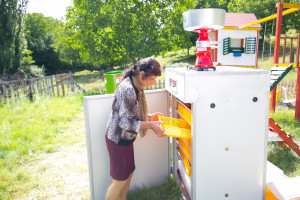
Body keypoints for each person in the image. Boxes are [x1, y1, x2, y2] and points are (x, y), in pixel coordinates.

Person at [105, 58, 166, 200]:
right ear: (142, 74)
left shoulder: (136, 85)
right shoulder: (129, 89)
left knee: (128, 174)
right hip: (117, 139)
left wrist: (149, 117)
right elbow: (124, 122)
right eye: (151, 79)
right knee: (119, 180)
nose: (153, 83)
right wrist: (150, 125)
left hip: (125, 138)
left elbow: (132, 113)